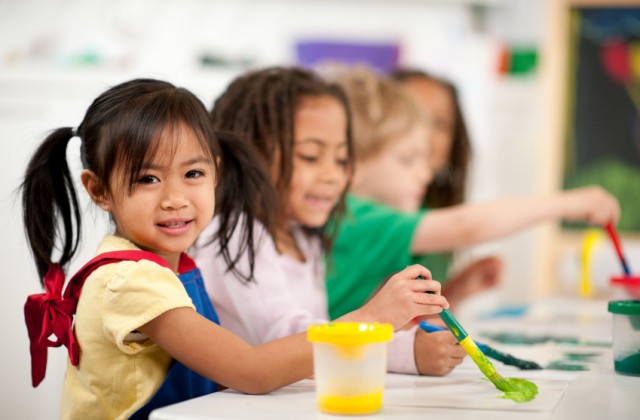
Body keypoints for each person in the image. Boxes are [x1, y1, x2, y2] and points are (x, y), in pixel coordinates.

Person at [20, 78, 449, 419]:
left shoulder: (175, 265)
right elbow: (251, 370)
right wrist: (370, 319)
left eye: (192, 173)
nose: (175, 197)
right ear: (99, 191)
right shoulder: (129, 280)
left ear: (215, 173)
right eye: (148, 179)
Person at [194, 66, 465, 377]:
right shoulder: (237, 233)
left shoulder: (303, 236)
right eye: (310, 156)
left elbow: (317, 337)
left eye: (340, 159)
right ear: (248, 155)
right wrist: (397, 345)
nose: (332, 176)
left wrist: (399, 334)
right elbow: (286, 340)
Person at [325, 66, 621, 320]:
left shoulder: (365, 219)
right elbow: (466, 226)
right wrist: (571, 202)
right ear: (352, 164)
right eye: (407, 159)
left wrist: (457, 289)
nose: (425, 173)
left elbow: (390, 324)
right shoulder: (355, 216)